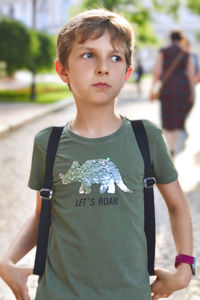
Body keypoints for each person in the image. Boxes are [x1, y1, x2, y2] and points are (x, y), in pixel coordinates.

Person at [0, 10, 194, 300]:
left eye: (115, 57)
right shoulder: (48, 143)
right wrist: (7, 262)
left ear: (127, 72)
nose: (103, 67)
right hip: (58, 293)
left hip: (129, 293)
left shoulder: (146, 138)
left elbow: (178, 207)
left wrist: (185, 267)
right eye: (88, 55)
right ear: (63, 70)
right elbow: (43, 215)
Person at [150, 30, 195, 156]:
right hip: (182, 90)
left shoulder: (163, 52)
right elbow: (191, 76)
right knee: (176, 120)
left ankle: (169, 145)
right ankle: (173, 147)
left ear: (170, 38)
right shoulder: (186, 54)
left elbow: (157, 72)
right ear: (181, 39)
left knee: (167, 118)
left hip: (167, 89)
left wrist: (152, 89)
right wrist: (191, 93)